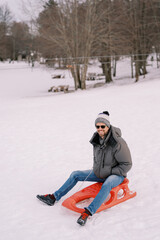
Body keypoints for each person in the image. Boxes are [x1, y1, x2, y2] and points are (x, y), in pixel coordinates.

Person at [37, 111, 132, 226]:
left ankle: (88, 212)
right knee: (75, 174)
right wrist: (98, 169)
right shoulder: (97, 139)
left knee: (107, 184)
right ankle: (53, 197)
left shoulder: (118, 142)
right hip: (101, 173)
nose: (100, 128)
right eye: (98, 126)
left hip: (117, 175)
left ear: (108, 126)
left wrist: (110, 172)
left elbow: (127, 164)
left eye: (103, 126)